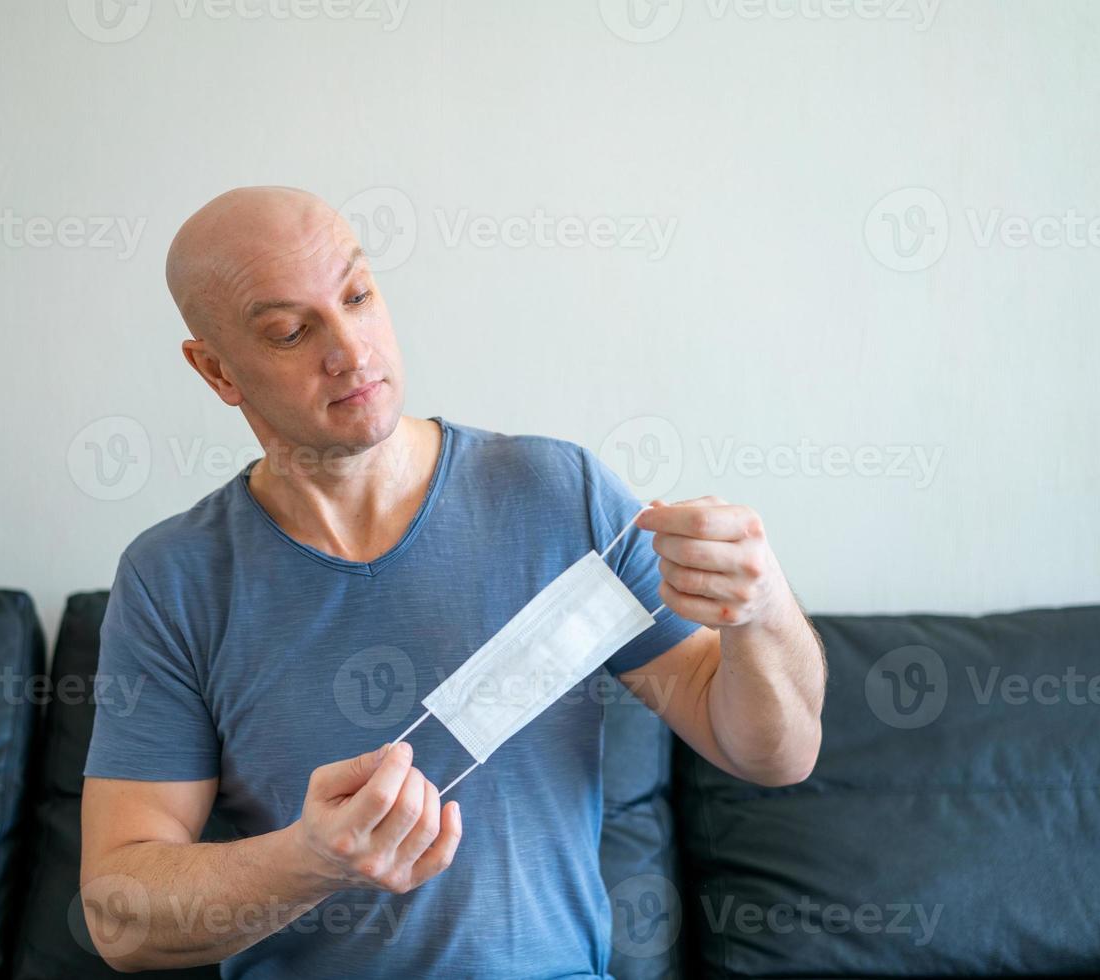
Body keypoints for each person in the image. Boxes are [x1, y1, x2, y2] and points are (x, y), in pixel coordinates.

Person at [79, 185, 826, 977]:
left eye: (358, 296)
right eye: (291, 331)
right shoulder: (174, 579)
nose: (350, 350)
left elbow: (775, 755)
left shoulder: (556, 493)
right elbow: (118, 914)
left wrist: (762, 611)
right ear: (217, 371)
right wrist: (308, 859)